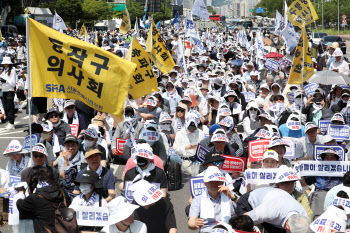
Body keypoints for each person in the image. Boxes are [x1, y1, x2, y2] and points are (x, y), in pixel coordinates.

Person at [16, 166, 71, 233]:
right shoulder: (62, 192)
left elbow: (20, 205)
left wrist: (20, 193)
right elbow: (68, 202)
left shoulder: (34, 198)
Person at [236, 187, 308, 233]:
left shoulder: (305, 219)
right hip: (250, 202)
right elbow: (241, 220)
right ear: (287, 228)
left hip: (277, 200)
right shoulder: (269, 211)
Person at [188, 166, 237, 232]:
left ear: (222, 182)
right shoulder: (198, 199)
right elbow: (191, 222)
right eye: (210, 181)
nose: (214, 183)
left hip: (228, 230)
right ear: (205, 183)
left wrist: (232, 196)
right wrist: (194, 223)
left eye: (217, 180)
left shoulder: (230, 194)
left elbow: (244, 208)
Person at [0, 56, 17, 129]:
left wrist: (6, 81)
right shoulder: (4, 71)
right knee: (5, 107)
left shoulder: (12, 71)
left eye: (6, 64)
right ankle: (9, 121)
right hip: (4, 90)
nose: (5, 65)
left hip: (10, 90)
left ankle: (11, 123)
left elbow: (13, 83)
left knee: (10, 107)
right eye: (4, 64)